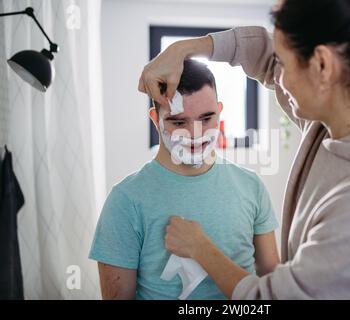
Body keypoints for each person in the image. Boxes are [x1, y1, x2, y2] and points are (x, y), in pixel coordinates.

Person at [138, 0, 350, 299]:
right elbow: (263, 54)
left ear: (322, 66)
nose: (278, 78)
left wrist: (199, 248)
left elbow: (268, 297)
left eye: (285, 64)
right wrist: (184, 49)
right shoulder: (336, 125)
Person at [90, 59, 279, 299]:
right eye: (178, 122)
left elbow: (274, 290)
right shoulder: (125, 200)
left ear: (220, 112)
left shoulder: (251, 186)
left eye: (206, 118)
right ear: (155, 120)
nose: (194, 134)